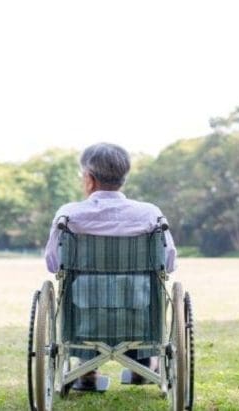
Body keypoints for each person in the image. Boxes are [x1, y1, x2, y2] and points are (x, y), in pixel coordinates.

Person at [44, 142, 177, 388]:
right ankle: (145, 366)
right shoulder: (150, 214)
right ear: (122, 178)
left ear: (89, 179)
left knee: (87, 293)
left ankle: (87, 371)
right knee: (138, 291)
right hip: (140, 310)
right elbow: (168, 264)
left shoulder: (69, 215)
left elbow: (53, 264)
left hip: (84, 316)